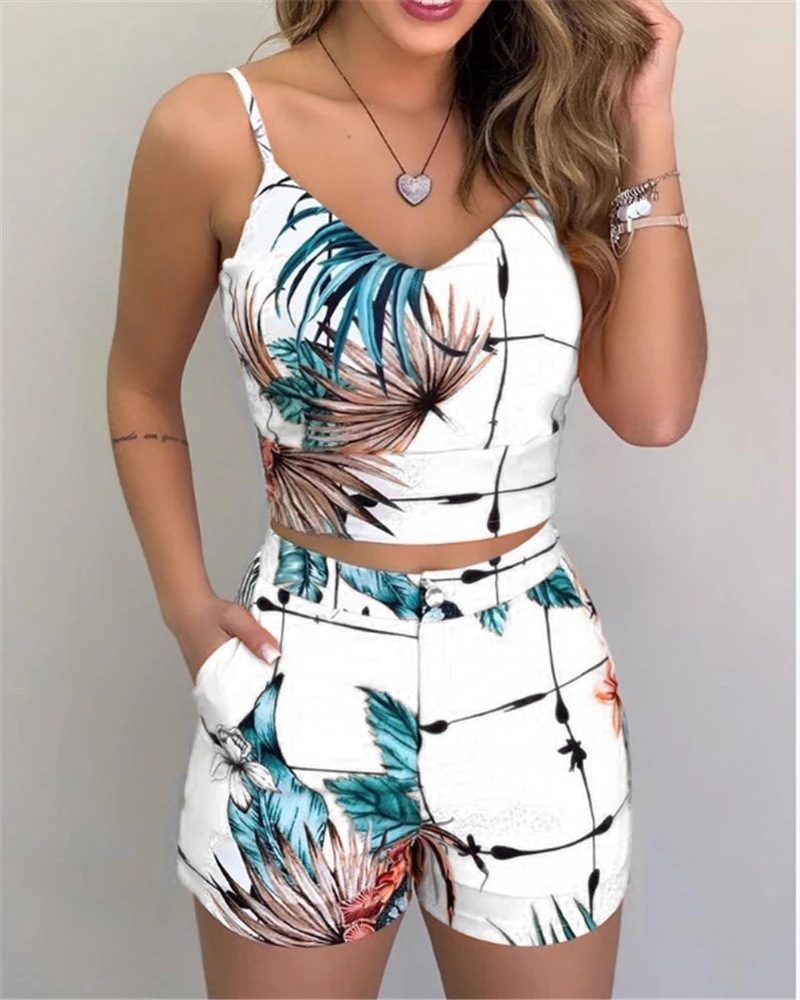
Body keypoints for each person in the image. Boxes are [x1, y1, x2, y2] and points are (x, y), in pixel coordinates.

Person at [106, 0, 705, 996]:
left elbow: (653, 409)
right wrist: (185, 611)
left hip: (533, 681)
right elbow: (139, 382)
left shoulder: (550, 132)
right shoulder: (213, 129)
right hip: (299, 674)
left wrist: (645, 117)